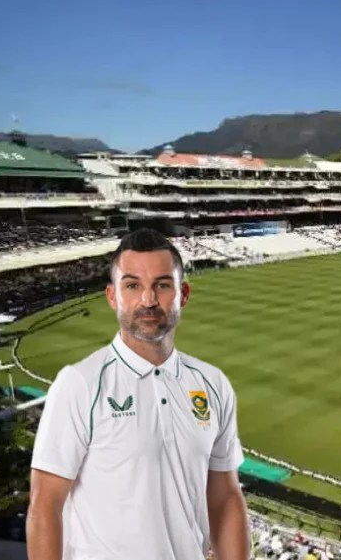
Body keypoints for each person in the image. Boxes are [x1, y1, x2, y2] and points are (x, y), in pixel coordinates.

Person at [27, 229, 249, 560]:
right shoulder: (80, 383)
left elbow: (224, 498)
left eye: (162, 285)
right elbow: (46, 503)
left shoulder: (212, 384)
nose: (148, 300)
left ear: (183, 294)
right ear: (112, 296)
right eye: (133, 286)